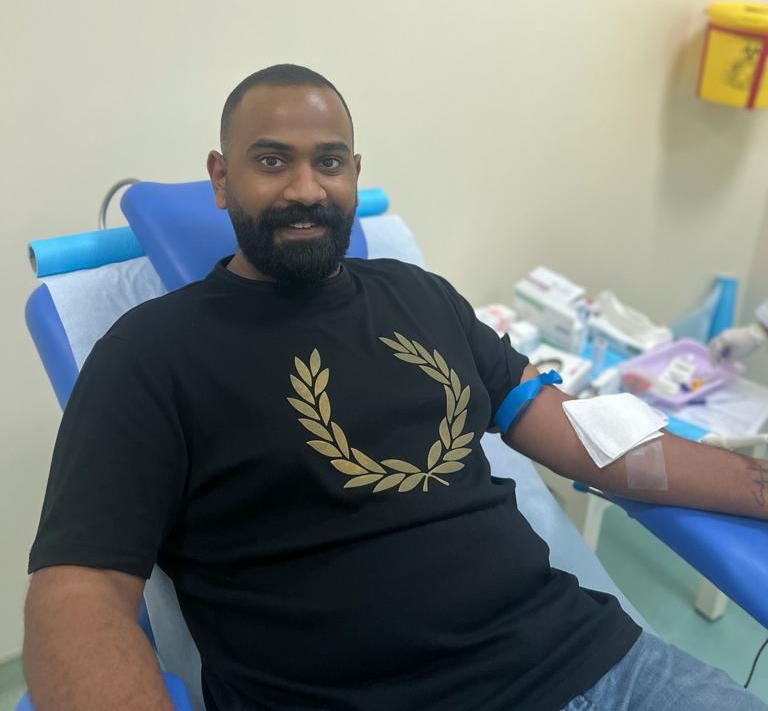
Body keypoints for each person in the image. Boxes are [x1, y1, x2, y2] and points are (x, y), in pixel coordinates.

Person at [23, 65, 768, 711]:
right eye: (272, 161)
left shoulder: (420, 295)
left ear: (354, 171)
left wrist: (759, 487)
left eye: (329, 161)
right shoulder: (151, 353)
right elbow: (79, 590)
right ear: (221, 179)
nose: (305, 189)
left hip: (597, 666)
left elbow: (585, 436)